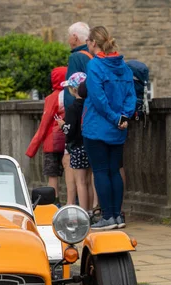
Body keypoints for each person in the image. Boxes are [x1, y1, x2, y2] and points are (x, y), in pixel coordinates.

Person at [82, 26, 136, 230]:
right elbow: (131, 95)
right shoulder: (123, 66)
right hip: (118, 128)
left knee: (101, 171)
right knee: (114, 171)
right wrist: (124, 117)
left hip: (97, 127)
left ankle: (107, 217)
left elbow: (97, 99)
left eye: (88, 41)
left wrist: (115, 117)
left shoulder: (95, 65)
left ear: (93, 43)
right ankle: (117, 216)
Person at [26, 66, 68, 206]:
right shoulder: (70, 96)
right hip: (69, 139)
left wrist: (32, 149)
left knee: (53, 175)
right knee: (71, 174)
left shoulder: (52, 98)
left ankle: (54, 202)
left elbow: (44, 124)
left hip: (53, 142)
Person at [57, 73, 92, 213]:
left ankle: (83, 212)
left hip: (77, 148)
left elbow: (69, 131)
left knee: (80, 182)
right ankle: (90, 210)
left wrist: (62, 125)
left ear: (74, 90)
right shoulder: (89, 105)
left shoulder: (72, 108)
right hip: (90, 145)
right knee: (89, 181)